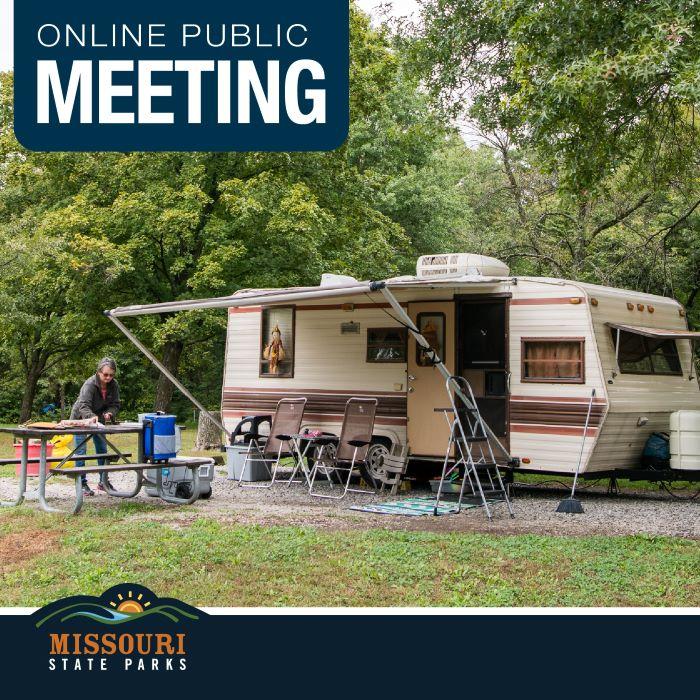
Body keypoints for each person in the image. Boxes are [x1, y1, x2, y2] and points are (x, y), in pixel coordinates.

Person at [70, 357, 121, 496]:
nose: (108, 377)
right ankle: (81, 483)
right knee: (80, 451)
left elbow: (115, 404)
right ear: (99, 372)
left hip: (99, 421)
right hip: (80, 420)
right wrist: (90, 417)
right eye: (105, 374)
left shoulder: (114, 385)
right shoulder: (89, 384)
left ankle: (103, 481)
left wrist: (110, 413)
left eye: (111, 375)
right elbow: (83, 405)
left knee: (102, 450)